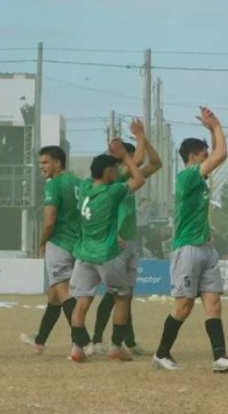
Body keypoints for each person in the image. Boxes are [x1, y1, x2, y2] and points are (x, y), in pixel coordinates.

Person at [152, 107, 228, 373]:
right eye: (203, 155)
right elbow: (221, 154)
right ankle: (161, 353)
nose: (208, 158)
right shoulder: (187, 176)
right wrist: (216, 126)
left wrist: (212, 130)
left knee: (214, 303)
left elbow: (216, 154)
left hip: (206, 248)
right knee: (184, 305)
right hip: (188, 249)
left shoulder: (198, 179)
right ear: (192, 157)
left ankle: (220, 357)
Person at [68, 137, 146, 362]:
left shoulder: (84, 187)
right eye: (114, 169)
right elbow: (138, 178)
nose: (117, 172)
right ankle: (116, 346)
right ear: (108, 172)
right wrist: (125, 156)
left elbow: (104, 169)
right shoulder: (112, 193)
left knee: (82, 301)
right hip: (107, 255)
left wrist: (113, 156)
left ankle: (76, 348)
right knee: (122, 298)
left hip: (83, 255)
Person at [90, 120, 163, 356]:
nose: (133, 160)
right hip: (117, 240)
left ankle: (126, 341)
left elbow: (156, 163)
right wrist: (138, 140)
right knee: (115, 295)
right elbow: (140, 160)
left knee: (126, 295)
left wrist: (144, 138)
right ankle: (99, 339)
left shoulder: (127, 178)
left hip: (130, 239)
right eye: (129, 157)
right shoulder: (118, 176)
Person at [20, 145, 80, 353]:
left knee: (63, 292)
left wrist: (42, 242)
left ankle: (82, 341)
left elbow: (49, 221)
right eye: (40, 163)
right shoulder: (77, 182)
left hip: (59, 242)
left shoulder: (53, 184)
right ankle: (39, 341)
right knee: (53, 295)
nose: (42, 167)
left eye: (45, 163)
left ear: (57, 163)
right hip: (76, 243)